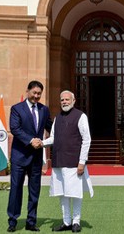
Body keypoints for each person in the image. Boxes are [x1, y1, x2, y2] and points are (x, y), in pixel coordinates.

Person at [43, 90, 93, 233]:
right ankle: (66, 222)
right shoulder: (57, 118)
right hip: (59, 161)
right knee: (62, 193)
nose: (64, 102)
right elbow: (53, 138)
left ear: (73, 100)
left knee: (75, 193)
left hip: (74, 162)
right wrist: (41, 143)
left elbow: (86, 139)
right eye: (62, 100)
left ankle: (76, 221)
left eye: (67, 99)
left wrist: (82, 162)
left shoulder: (81, 116)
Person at [7, 80, 52, 232]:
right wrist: (30, 140)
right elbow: (15, 128)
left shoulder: (44, 109)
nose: (36, 96)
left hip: (36, 158)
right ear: (28, 91)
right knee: (16, 189)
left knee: (34, 191)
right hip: (19, 157)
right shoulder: (16, 109)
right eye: (34, 93)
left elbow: (50, 127)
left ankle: (31, 221)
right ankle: (12, 221)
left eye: (39, 94)